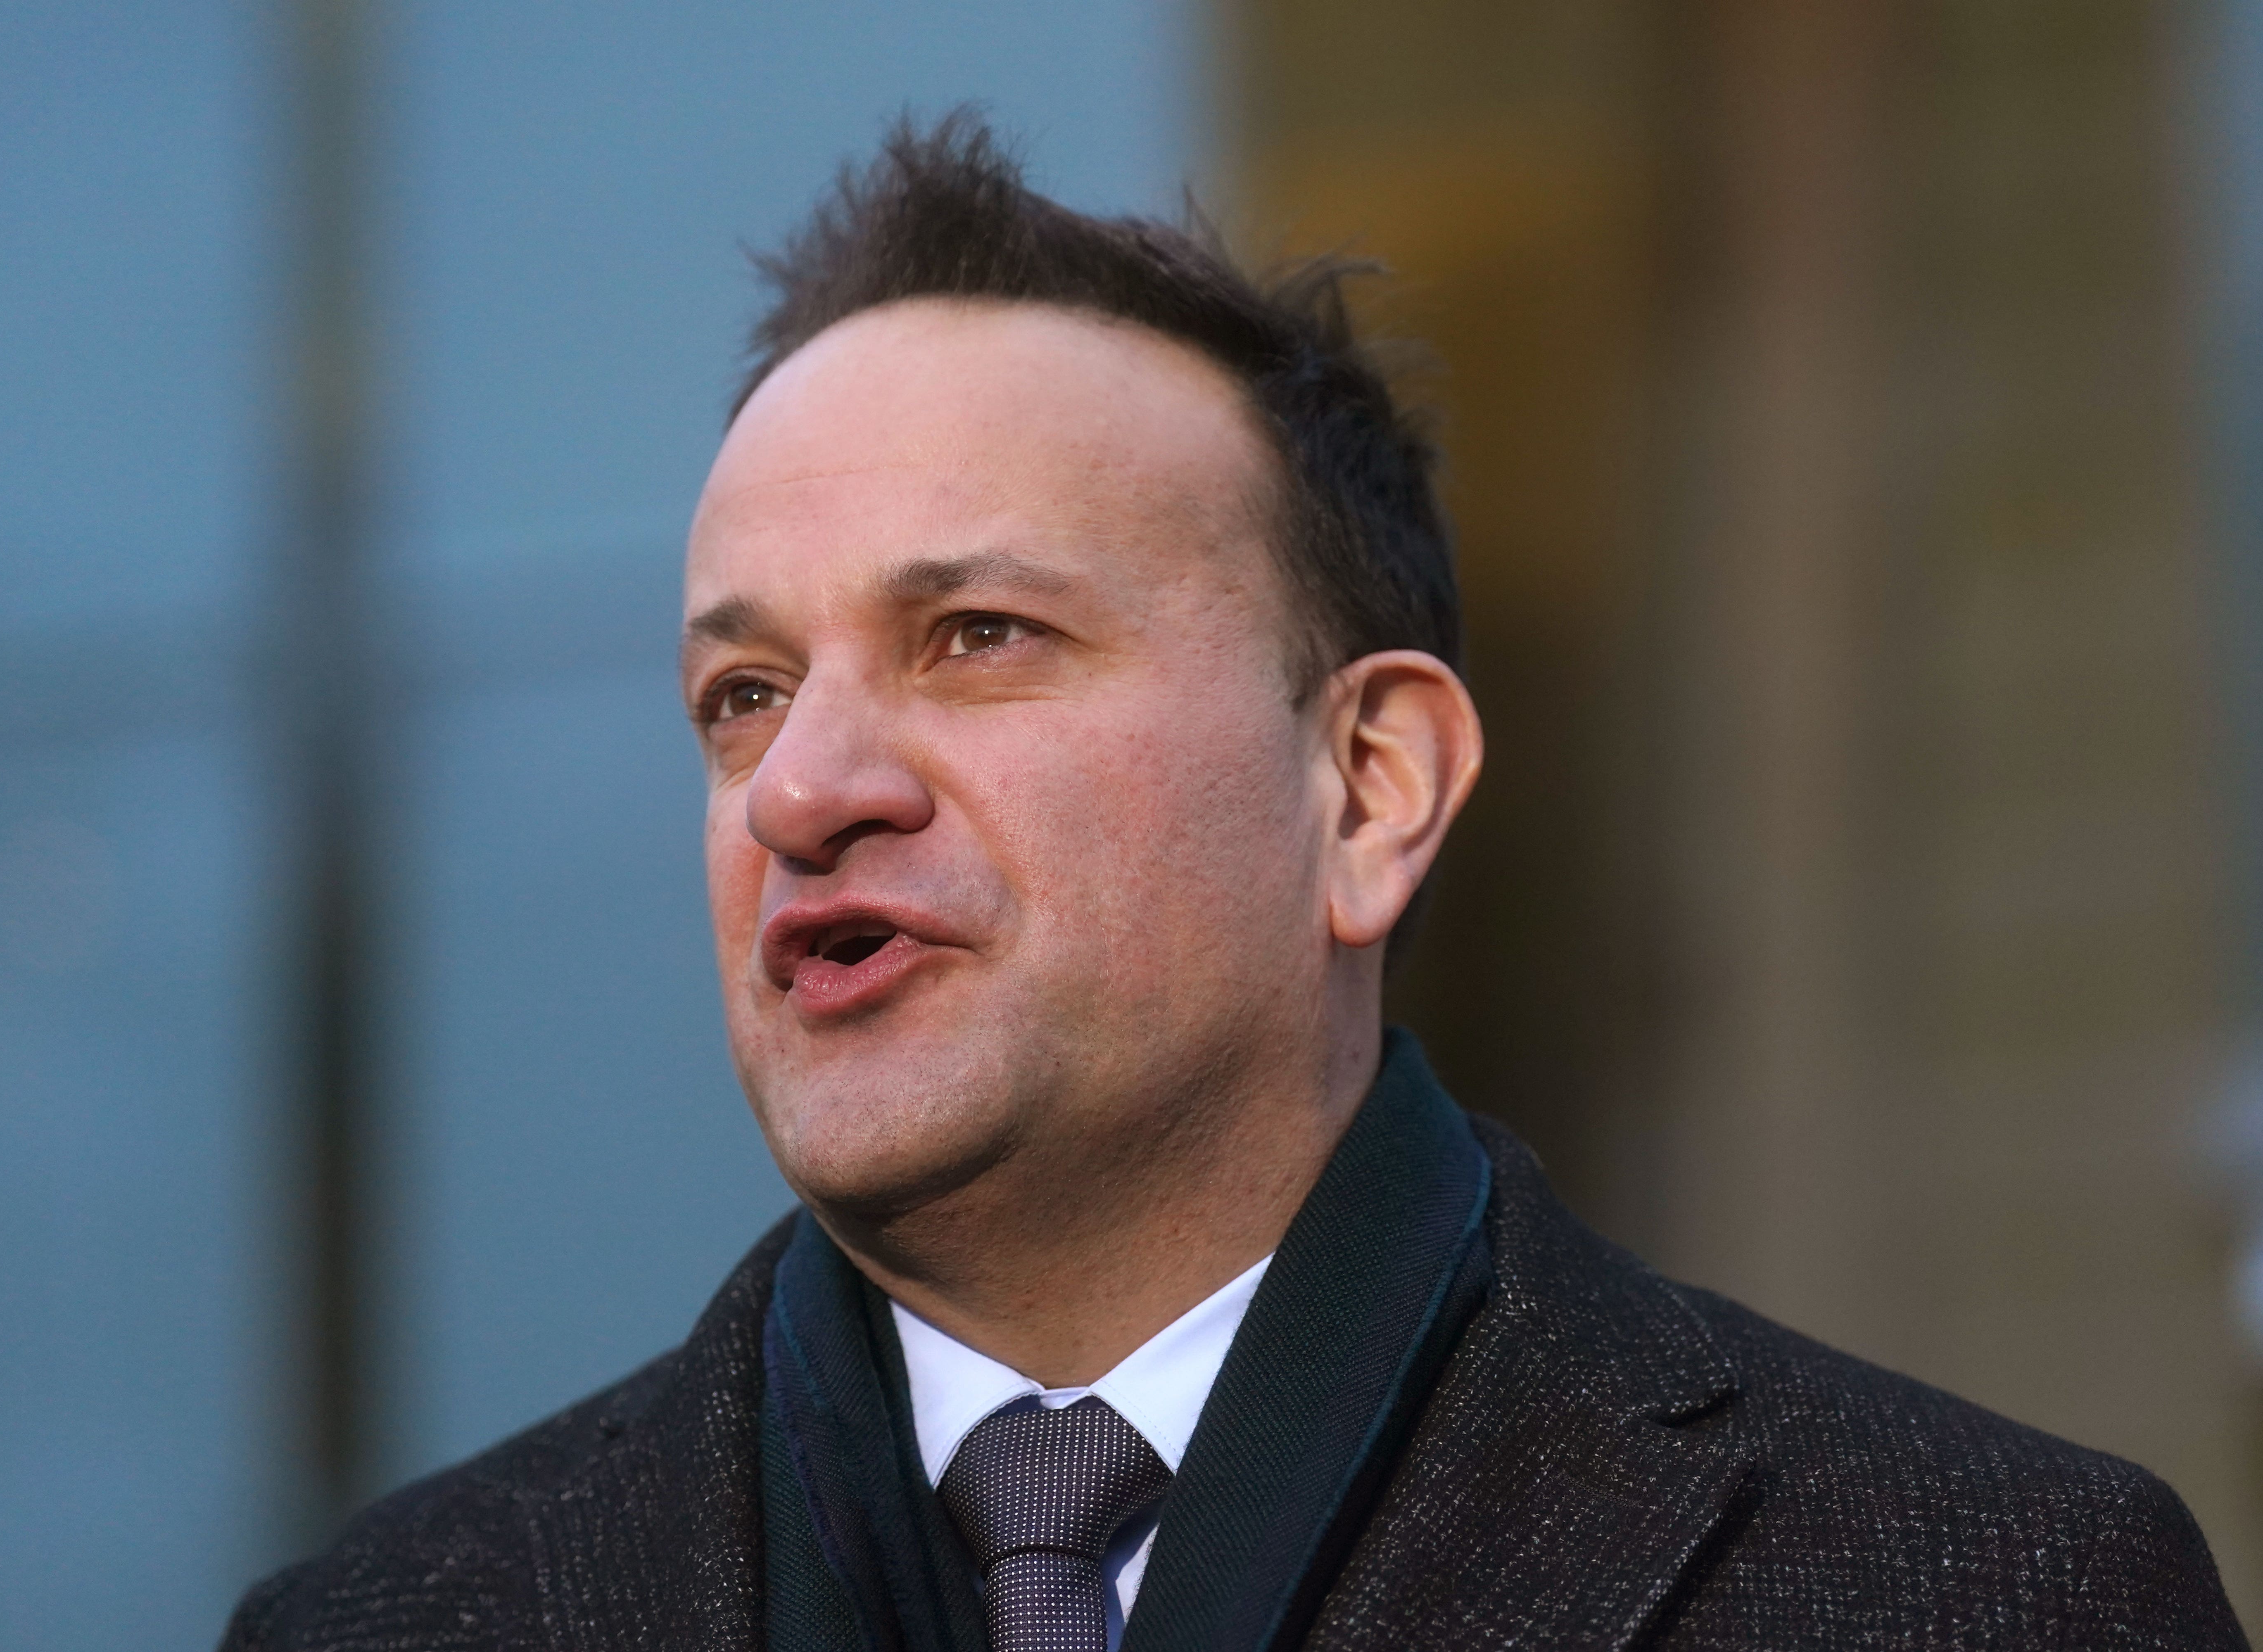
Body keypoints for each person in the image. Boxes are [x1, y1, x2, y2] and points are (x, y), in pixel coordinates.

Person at [220, 114, 2246, 1651]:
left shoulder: (1986, 1595)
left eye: (979, 635)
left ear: (1370, 787)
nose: (804, 788)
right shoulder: (386, 1626)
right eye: (742, 692)